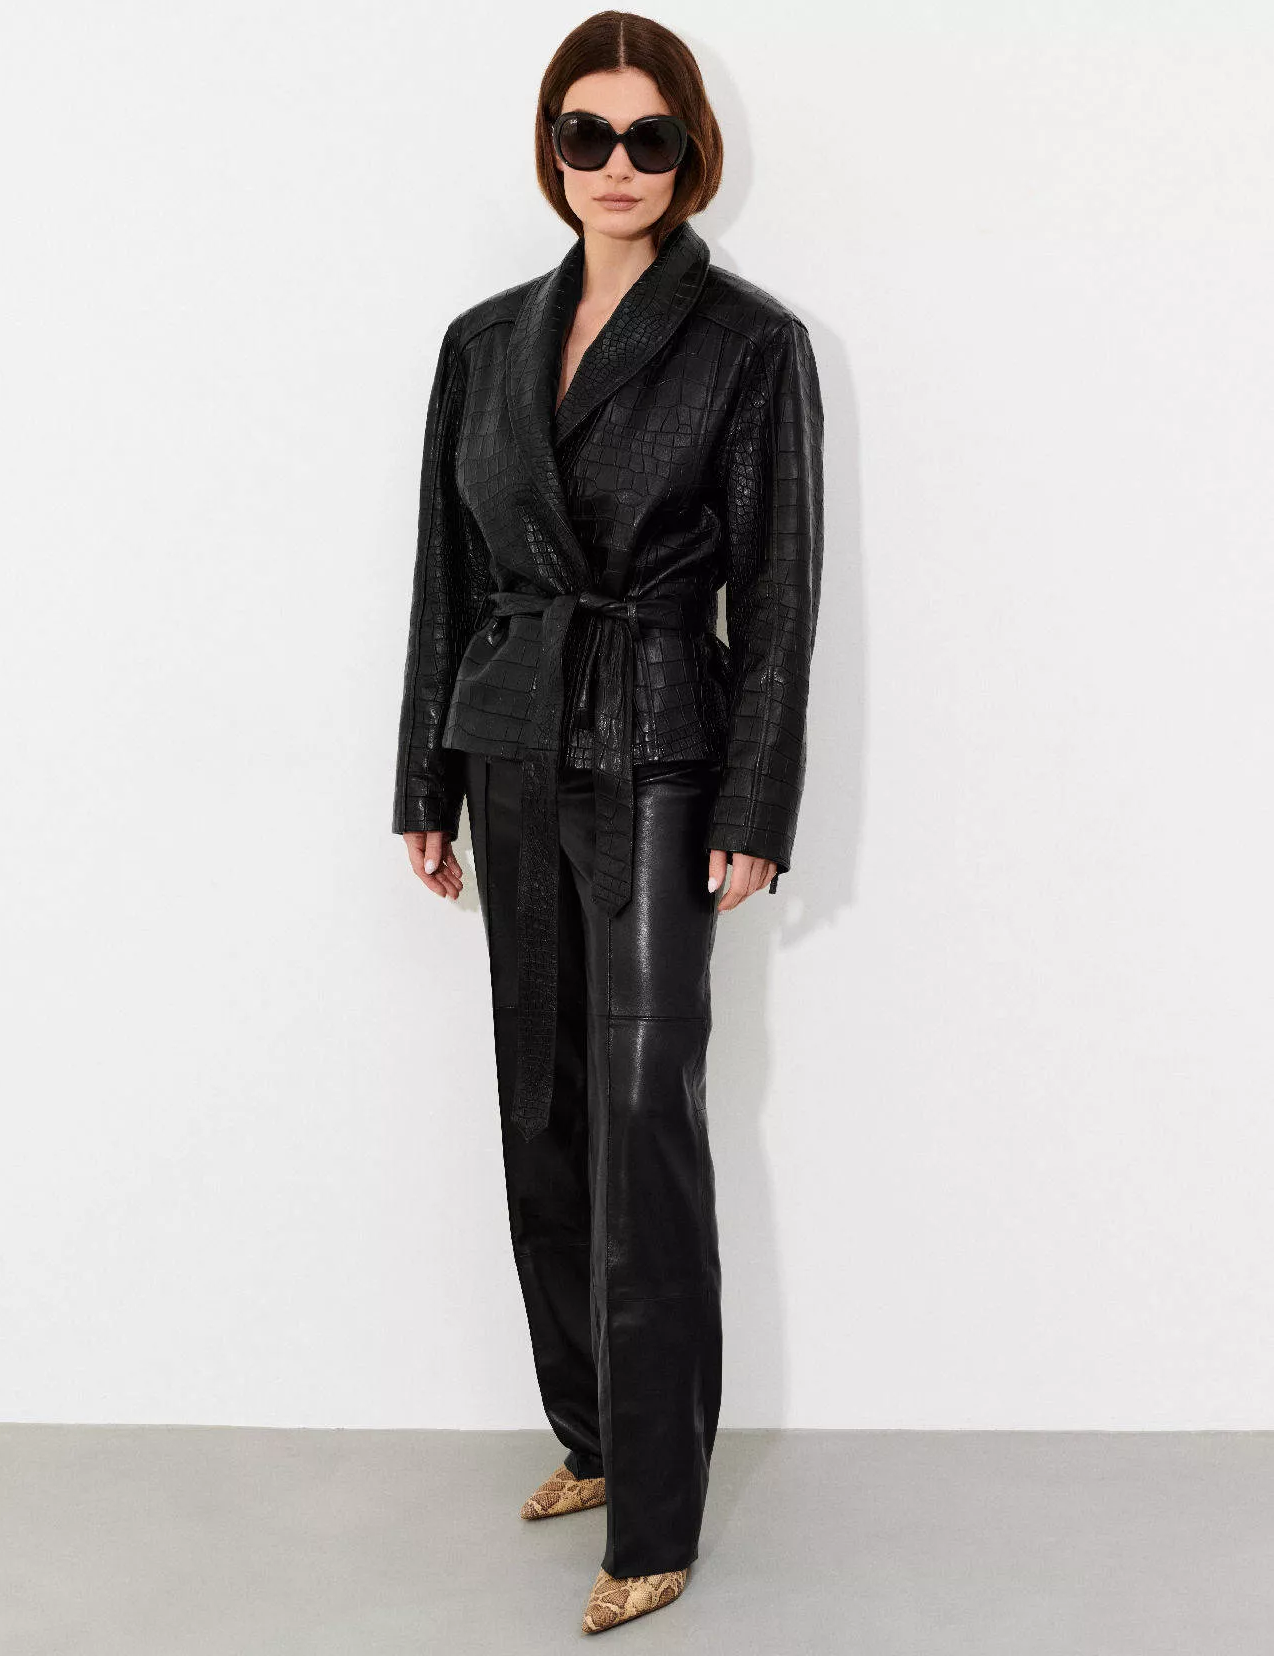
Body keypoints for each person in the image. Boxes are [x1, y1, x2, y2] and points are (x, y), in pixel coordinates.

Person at [391, 11, 824, 1636]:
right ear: (552, 150)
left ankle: (657, 1514)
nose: (619, 165)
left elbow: (777, 596)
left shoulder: (749, 345)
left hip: (656, 746)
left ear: (690, 151)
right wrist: (423, 781)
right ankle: (587, 1430)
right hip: (509, 737)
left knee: (645, 1113)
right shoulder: (481, 342)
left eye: (651, 137)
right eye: (589, 134)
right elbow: (444, 576)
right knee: (543, 1098)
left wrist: (756, 798)